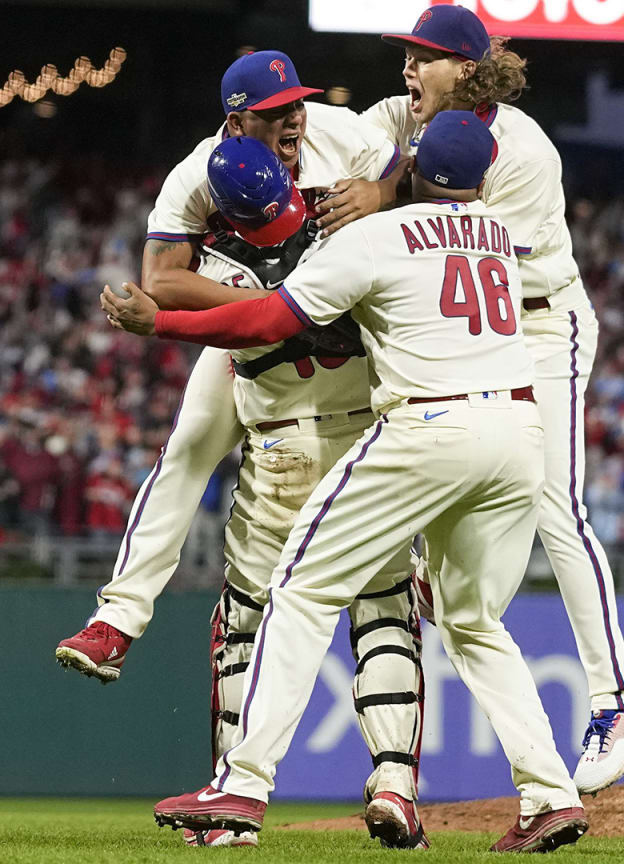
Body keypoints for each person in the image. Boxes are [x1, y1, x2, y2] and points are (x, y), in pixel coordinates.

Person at [117, 112, 588, 854]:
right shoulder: (500, 233)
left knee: (300, 590)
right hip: (518, 435)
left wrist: (164, 321)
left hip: (430, 429)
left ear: (412, 172)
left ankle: (242, 783)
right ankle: (550, 793)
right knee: (471, 622)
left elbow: (269, 316)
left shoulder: (377, 234)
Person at [54, 51, 418, 850]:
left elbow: (403, 182)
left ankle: (275, 787)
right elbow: (161, 279)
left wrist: (381, 193)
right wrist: (271, 307)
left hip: (342, 343)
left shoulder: (338, 132)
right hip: (266, 335)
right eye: (278, 108)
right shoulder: (194, 175)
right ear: (238, 116)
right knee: (187, 445)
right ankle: (117, 619)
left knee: (295, 600)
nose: (295, 117)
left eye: (297, 102)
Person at [320, 5, 624, 792]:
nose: (406, 71)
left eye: (422, 58)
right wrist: (362, 177)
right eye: (405, 56)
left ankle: (616, 702)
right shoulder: (398, 114)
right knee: (445, 476)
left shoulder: (526, 150)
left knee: (556, 505)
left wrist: (385, 194)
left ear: (466, 69)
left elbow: (471, 254)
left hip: (539, 323)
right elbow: (341, 148)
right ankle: (445, 576)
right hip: (462, 331)